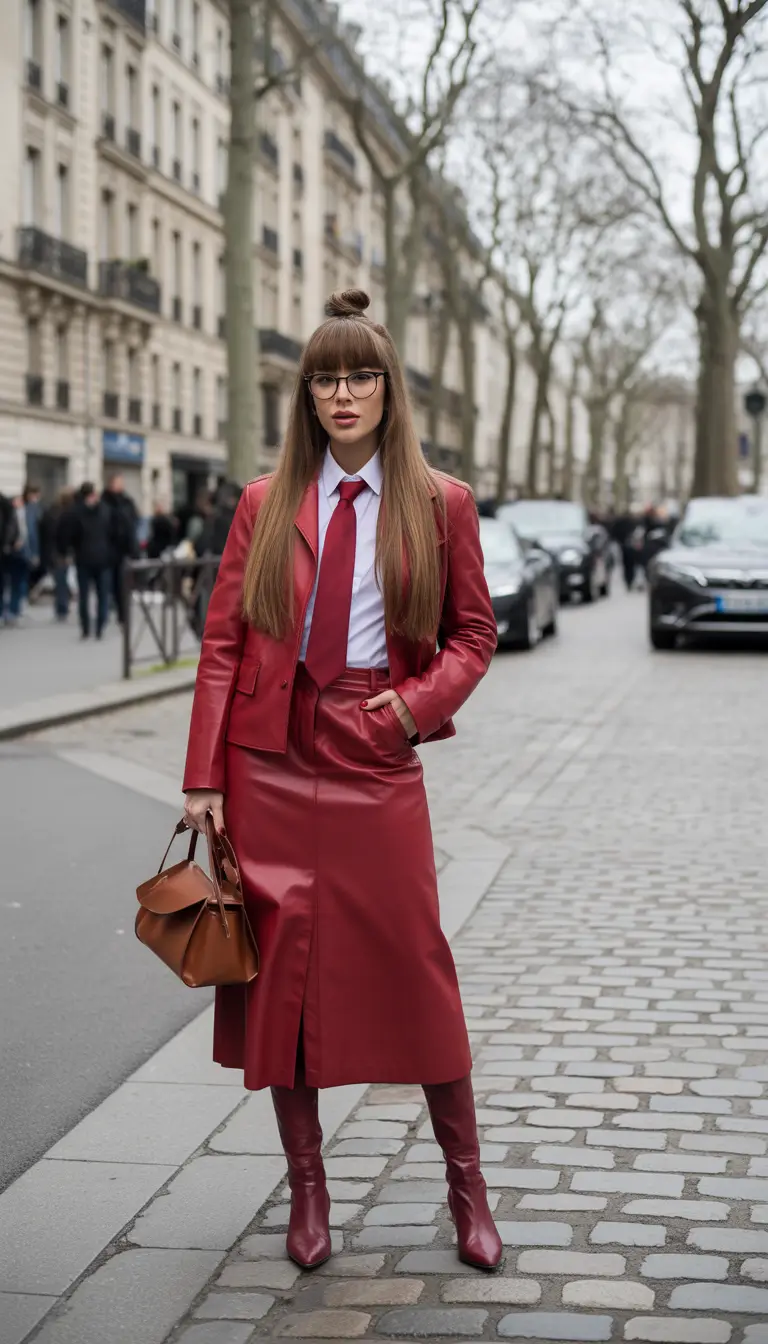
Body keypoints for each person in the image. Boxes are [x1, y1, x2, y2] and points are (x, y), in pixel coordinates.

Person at [182, 289, 502, 1274]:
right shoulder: (263, 502)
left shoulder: (439, 502)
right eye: (326, 378)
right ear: (308, 396)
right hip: (270, 761)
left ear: (388, 387)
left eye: (360, 375)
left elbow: (473, 637)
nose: (343, 393)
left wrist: (410, 711)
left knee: (417, 965)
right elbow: (224, 644)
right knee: (285, 979)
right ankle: (308, 1193)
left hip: (375, 749)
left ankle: (468, 1190)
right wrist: (205, 779)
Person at [69, 483, 115, 639]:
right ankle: (98, 627)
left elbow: (72, 536)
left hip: (86, 559)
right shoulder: (105, 511)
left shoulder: (76, 512)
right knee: (100, 595)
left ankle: (88, 628)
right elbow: (112, 535)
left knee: (86, 595)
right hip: (100, 559)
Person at [101, 473, 139, 624]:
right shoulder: (105, 501)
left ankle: (123, 614)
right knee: (110, 584)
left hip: (125, 549)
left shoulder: (127, 501)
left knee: (123, 583)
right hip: (110, 549)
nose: (121, 485)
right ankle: (108, 611)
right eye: (118, 482)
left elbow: (133, 522)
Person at [40, 487, 76, 620]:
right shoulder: (67, 514)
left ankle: (61, 606)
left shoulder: (50, 512)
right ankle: (62, 607)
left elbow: (43, 532)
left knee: (60, 579)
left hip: (52, 550)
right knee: (62, 579)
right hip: (60, 551)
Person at [0, 492, 24, 626]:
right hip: (8, 550)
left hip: (11, 552)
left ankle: (10, 612)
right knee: (8, 584)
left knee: (13, 583)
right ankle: (8, 612)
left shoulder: (8, 509)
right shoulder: (9, 509)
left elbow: (12, 529)